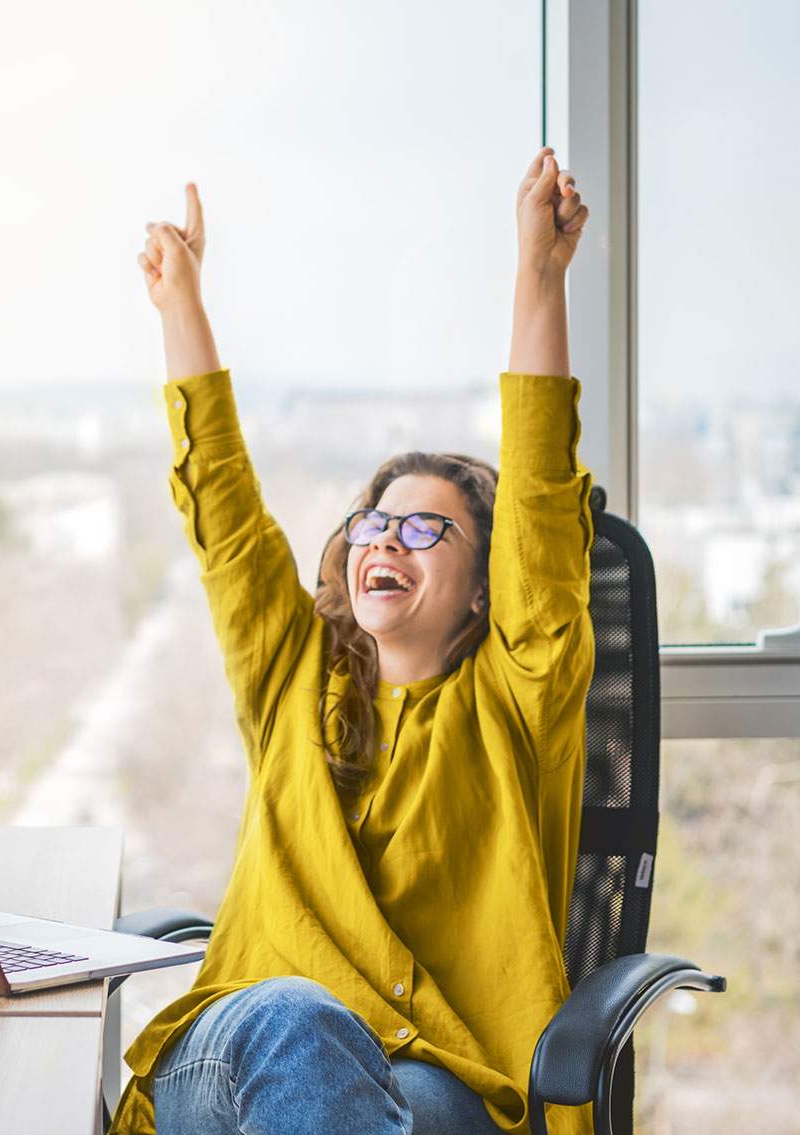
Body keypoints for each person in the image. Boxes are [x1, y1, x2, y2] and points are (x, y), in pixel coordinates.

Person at [109, 147, 596, 1135]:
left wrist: (538, 277)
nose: (386, 538)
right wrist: (182, 309)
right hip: (243, 1051)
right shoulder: (294, 671)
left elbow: (544, 499)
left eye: (427, 528)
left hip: (439, 1077)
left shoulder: (516, 700)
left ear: (482, 590)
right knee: (297, 1019)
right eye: (373, 521)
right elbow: (228, 517)